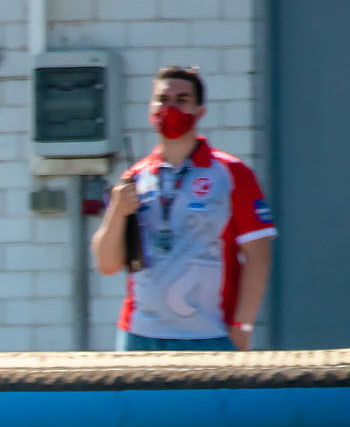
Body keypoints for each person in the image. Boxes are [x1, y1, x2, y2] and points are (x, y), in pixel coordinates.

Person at [90, 65, 274, 351]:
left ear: (200, 110)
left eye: (182, 100)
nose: (171, 107)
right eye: (163, 100)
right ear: (151, 109)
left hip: (209, 335)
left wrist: (243, 325)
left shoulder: (230, 173)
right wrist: (117, 211)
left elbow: (259, 255)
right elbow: (107, 264)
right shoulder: (136, 176)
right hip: (140, 335)